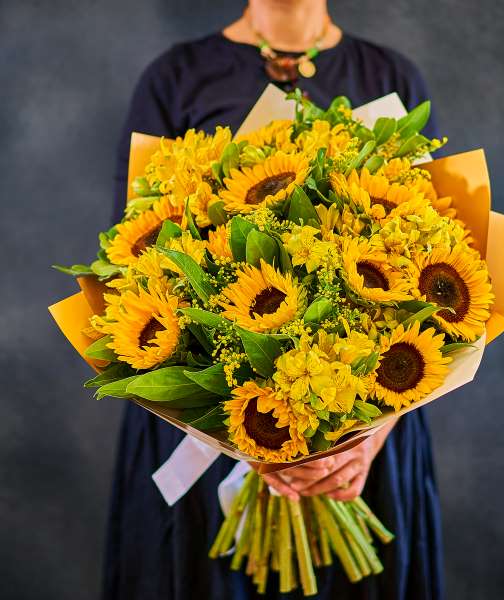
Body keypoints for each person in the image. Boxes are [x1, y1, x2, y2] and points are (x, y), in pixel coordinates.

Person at [104, 1, 443, 598]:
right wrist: (251, 433)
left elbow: (430, 263)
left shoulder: (391, 76)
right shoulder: (175, 77)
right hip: (205, 432)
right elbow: (130, 266)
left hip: (368, 443)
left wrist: (364, 436)